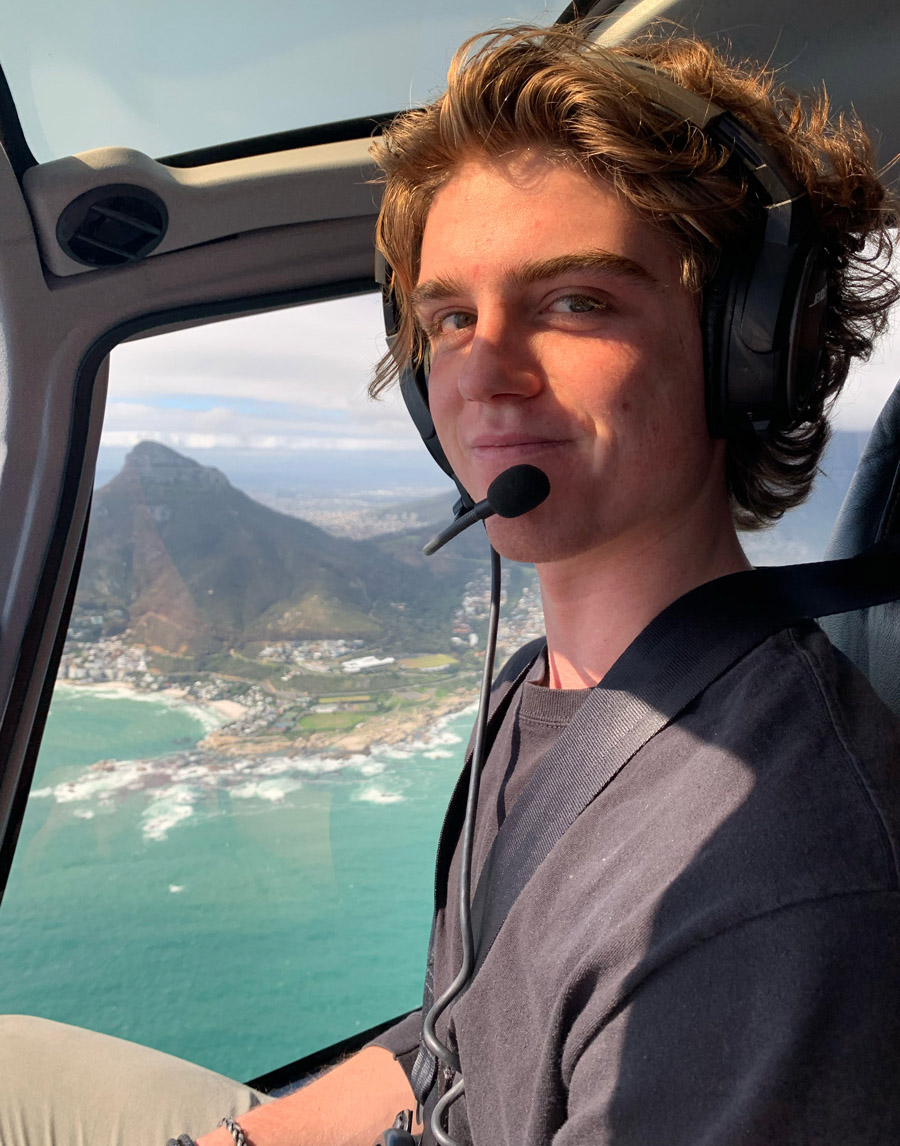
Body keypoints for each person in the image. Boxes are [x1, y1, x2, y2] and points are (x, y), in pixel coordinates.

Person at [3, 19, 900, 1146]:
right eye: (450, 318)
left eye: (577, 300)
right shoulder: (548, 695)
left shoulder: (774, 889)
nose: (484, 373)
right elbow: (458, 1036)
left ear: (745, 344)